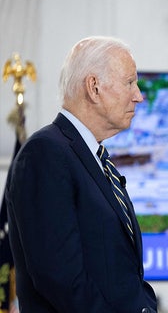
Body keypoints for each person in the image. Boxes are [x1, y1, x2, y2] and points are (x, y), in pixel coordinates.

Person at [3, 36, 157, 312]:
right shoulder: (45, 153)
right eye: (129, 82)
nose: (138, 95)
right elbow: (60, 279)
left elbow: (123, 273)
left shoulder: (95, 159)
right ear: (94, 87)